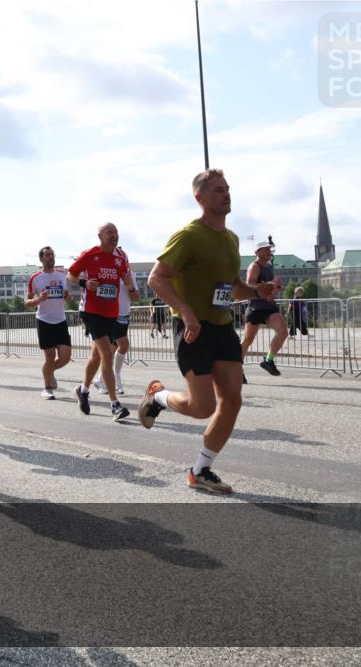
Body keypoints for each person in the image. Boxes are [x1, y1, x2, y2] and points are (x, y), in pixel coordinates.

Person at [141, 168, 279, 494]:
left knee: (232, 400)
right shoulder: (189, 236)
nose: (226, 194)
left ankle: (200, 470)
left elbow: (232, 288)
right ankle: (157, 396)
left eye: (228, 188)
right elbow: (156, 278)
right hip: (193, 330)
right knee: (202, 408)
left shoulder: (230, 239)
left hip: (222, 328)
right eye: (218, 189)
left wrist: (258, 292)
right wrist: (186, 311)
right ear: (200, 198)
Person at [67, 223, 139, 422]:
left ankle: (83, 390)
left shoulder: (121, 257)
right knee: (107, 354)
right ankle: (115, 405)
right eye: (110, 232)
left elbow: (128, 285)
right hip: (91, 311)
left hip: (111, 313)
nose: (114, 236)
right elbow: (70, 275)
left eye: (116, 232)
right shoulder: (90, 254)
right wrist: (84, 283)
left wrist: (129, 284)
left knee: (97, 356)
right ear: (100, 236)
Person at [26, 246, 71, 399]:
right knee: (50, 358)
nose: (50, 257)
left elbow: (65, 294)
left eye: (52, 254)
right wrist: (38, 299)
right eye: (47, 255)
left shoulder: (62, 275)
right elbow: (27, 302)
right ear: (41, 258)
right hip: (44, 321)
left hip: (60, 320)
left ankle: (49, 372)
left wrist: (66, 295)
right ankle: (47, 388)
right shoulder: (36, 278)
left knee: (65, 356)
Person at [241, 241, 288, 376]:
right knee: (248, 339)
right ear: (258, 251)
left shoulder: (269, 267)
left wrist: (274, 290)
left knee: (283, 331)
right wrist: (265, 286)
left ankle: (268, 361)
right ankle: (237, 367)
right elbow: (250, 284)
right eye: (266, 249)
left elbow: (270, 287)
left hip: (269, 306)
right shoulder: (254, 266)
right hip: (256, 306)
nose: (269, 252)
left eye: (270, 249)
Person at [94, 255, 136, 395]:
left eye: (125, 260)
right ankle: (116, 378)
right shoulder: (109, 274)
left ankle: (100, 379)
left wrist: (130, 287)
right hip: (111, 315)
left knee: (111, 351)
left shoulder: (131, 275)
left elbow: (136, 297)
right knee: (124, 345)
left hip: (125, 315)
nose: (123, 263)